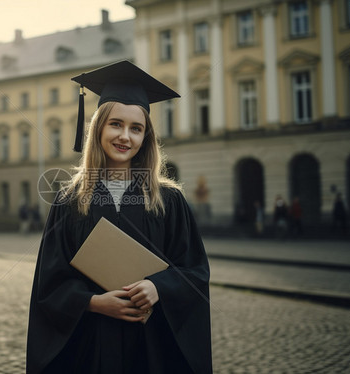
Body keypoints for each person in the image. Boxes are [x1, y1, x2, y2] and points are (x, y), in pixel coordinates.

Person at [26, 61, 212, 373]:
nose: (125, 136)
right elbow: (49, 284)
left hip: (152, 347)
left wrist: (159, 288)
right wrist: (93, 303)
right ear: (98, 128)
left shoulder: (169, 200)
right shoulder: (70, 201)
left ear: (146, 137)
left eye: (136, 128)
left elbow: (195, 272)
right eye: (115, 124)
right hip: (90, 347)